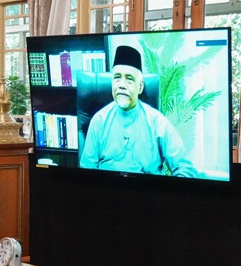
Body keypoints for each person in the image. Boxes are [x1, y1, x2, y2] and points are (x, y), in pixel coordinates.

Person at [79, 45, 197, 177]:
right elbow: (87, 172)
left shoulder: (157, 122)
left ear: (140, 87)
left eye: (129, 79)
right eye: (117, 77)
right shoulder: (99, 121)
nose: (122, 85)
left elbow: (186, 170)